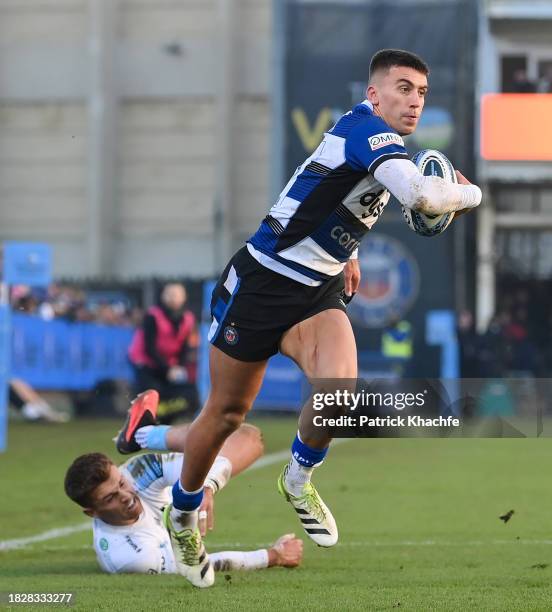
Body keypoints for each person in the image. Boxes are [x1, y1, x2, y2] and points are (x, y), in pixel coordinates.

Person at [164, 48, 483, 588]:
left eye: (422, 92)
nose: (414, 101)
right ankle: (182, 513)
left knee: (339, 392)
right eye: (402, 88)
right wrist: (472, 192)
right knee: (224, 413)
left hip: (317, 287)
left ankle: (297, 477)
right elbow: (425, 196)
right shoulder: (367, 132)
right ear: (373, 95)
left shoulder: (382, 144)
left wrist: (350, 253)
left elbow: (336, 196)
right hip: (263, 283)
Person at [64, 391, 303, 583]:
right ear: (92, 512)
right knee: (233, 443)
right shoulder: (130, 556)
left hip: (177, 494)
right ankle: (145, 435)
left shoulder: (137, 473)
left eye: (121, 483)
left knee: (248, 437)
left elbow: (206, 462)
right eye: (110, 498)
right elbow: (201, 563)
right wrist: (273, 556)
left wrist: (207, 487)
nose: (126, 495)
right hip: (166, 546)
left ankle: (147, 435)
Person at [128, 283, 199, 423]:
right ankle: (143, 423)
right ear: (163, 297)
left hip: (169, 365)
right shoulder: (153, 316)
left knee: (188, 394)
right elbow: (149, 348)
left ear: (184, 298)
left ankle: (165, 423)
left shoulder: (188, 318)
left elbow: (185, 347)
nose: (173, 298)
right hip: (147, 363)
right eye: (170, 294)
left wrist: (179, 366)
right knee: (151, 394)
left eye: (177, 295)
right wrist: (168, 369)